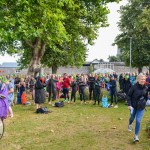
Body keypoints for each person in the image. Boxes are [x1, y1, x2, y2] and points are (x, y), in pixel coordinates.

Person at [127, 73, 148, 142]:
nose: (143, 80)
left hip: (141, 107)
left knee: (138, 121)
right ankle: (130, 124)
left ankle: (136, 136)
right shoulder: (134, 87)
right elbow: (129, 96)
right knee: (132, 118)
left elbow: (146, 96)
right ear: (138, 79)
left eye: (144, 79)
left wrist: (144, 102)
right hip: (133, 106)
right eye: (142, 79)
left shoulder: (146, 87)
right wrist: (129, 105)